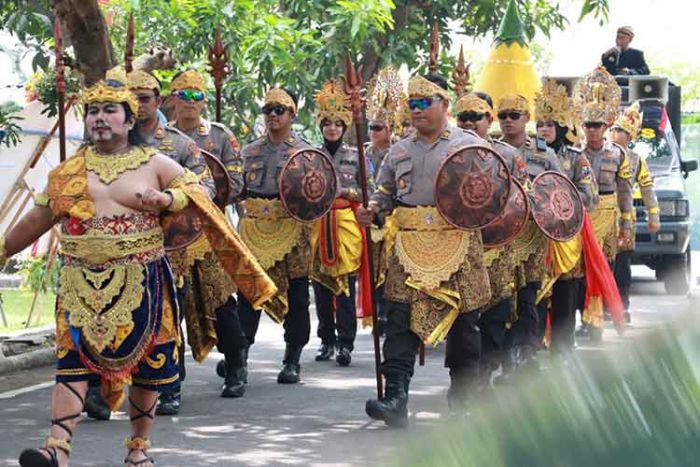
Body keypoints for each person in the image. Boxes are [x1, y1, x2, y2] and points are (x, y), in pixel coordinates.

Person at [4, 68, 275, 467]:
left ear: (129, 120)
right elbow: (38, 218)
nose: (99, 117)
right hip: (80, 280)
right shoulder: (68, 173)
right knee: (72, 361)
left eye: (109, 110)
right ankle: (57, 448)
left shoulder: (155, 161)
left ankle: (138, 450)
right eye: (93, 110)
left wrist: (167, 200)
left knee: (149, 366)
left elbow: (197, 189)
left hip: (143, 279)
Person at [357, 74, 492, 425]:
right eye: (411, 105)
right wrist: (372, 211)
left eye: (423, 104)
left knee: (465, 324)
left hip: (457, 240)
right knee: (398, 320)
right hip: (409, 244)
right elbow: (384, 194)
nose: (416, 111)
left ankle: (463, 396)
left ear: (444, 105)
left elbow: (492, 193)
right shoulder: (399, 150)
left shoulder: (469, 145)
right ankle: (396, 397)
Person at [154, 69, 249, 414]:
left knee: (222, 302)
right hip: (169, 235)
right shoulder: (155, 139)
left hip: (210, 231)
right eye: (184, 95)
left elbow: (236, 184)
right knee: (169, 305)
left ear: (204, 101)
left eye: (197, 96)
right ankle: (170, 381)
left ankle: (236, 365)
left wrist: (206, 190)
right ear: (172, 99)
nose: (191, 103)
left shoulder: (221, 137)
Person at [237, 88, 314, 384]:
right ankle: (240, 355)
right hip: (255, 228)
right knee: (249, 293)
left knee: (297, 295)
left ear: (292, 115)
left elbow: (318, 193)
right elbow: (235, 187)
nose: (272, 115)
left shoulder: (305, 153)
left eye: (278, 110)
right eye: (267, 110)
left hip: (292, 228)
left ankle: (293, 357)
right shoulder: (249, 151)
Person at [454, 91, 529, 388]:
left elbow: (523, 199)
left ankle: (485, 371)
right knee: (463, 315)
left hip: (497, 245)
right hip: (458, 245)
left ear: (489, 120)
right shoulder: (446, 154)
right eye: (464, 117)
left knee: (495, 311)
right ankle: (464, 377)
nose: (470, 123)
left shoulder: (510, 156)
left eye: (476, 117)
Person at [496, 94, 561, 382]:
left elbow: (560, 191)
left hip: (533, 236)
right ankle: (504, 356)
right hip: (498, 238)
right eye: (503, 115)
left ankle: (524, 354)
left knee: (528, 294)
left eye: (515, 115)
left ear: (526, 118)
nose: (508, 120)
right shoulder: (489, 149)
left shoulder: (544, 153)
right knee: (500, 297)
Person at [311, 80, 373, 366]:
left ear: (345, 126)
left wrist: (350, 194)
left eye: (337, 123)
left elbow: (370, 191)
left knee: (346, 283)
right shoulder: (311, 156)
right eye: (327, 123)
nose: (332, 128)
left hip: (346, 221)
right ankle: (326, 339)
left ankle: (345, 343)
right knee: (321, 285)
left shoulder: (357, 155)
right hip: (318, 223)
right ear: (321, 126)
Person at [534, 79, 596, 355]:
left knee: (565, 292)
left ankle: (563, 347)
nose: (543, 129)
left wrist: (562, 207)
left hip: (566, 238)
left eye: (549, 124)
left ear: (560, 126)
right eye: (540, 124)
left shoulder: (576, 158)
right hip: (535, 236)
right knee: (532, 294)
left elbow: (590, 195)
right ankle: (529, 351)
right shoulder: (528, 155)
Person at [577, 67, 634, 341]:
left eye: (597, 125)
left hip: (609, 214)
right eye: (587, 125)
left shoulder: (618, 153)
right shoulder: (575, 154)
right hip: (584, 216)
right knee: (582, 268)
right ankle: (587, 317)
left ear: (606, 126)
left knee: (604, 267)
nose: (592, 130)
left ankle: (596, 320)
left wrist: (626, 224)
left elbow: (625, 191)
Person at [611, 102, 660, 322]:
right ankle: (599, 309)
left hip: (625, 222)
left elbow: (647, 187)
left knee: (622, 267)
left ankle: (622, 307)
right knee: (602, 266)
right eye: (613, 129)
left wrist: (653, 215)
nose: (614, 133)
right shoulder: (603, 154)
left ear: (629, 136)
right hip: (600, 220)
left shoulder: (636, 160)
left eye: (619, 131)